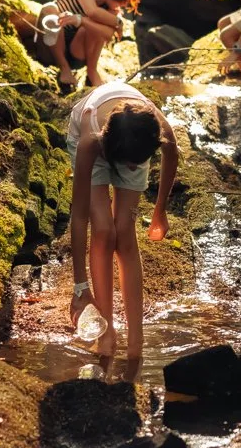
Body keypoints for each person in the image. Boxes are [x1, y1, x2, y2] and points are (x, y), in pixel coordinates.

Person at [66, 79, 176, 360]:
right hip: (99, 141)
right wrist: (80, 287)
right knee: (103, 230)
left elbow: (171, 152)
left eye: (136, 164)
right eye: (128, 163)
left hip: (130, 143)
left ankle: (136, 339)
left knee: (125, 233)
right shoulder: (91, 140)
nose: (130, 168)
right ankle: (107, 332)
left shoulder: (153, 130)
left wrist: (159, 210)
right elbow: (79, 217)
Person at [10, 0, 142, 91]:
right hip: (49, 48)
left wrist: (83, 21)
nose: (125, 4)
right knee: (49, 8)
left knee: (90, 27)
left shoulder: (111, 9)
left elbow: (107, 34)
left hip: (76, 56)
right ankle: (64, 69)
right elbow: (92, 11)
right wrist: (117, 22)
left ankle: (92, 72)